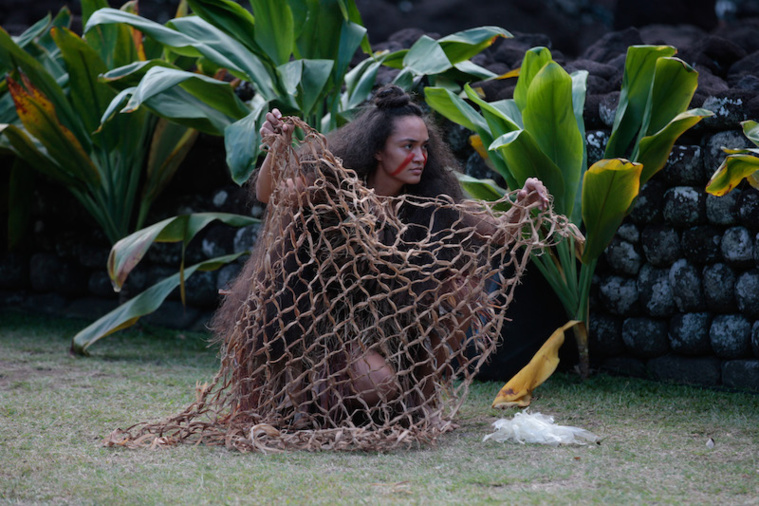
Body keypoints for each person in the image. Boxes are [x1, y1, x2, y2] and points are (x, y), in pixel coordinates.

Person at [247, 85, 551, 411]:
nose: (419, 157)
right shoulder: (334, 187)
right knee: (377, 384)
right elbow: (273, 193)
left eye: (424, 147)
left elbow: (496, 233)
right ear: (378, 150)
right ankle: (316, 390)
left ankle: (411, 397)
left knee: (459, 289)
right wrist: (276, 150)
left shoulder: (428, 201)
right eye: (408, 146)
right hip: (327, 331)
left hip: (391, 330)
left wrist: (522, 205)